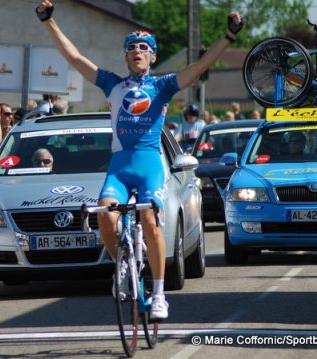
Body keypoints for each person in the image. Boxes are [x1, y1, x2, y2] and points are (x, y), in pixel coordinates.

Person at [36, 0, 243, 320]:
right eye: (131, 47)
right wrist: (49, 21)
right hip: (119, 166)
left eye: (144, 47)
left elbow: (200, 67)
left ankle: (159, 294)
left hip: (149, 166)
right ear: (126, 56)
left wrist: (228, 36)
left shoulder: (162, 86)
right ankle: (121, 261)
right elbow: (75, 58)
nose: (137, 50)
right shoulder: (112, 83)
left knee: (149, 222)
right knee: (105, 216)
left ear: (153, 56)